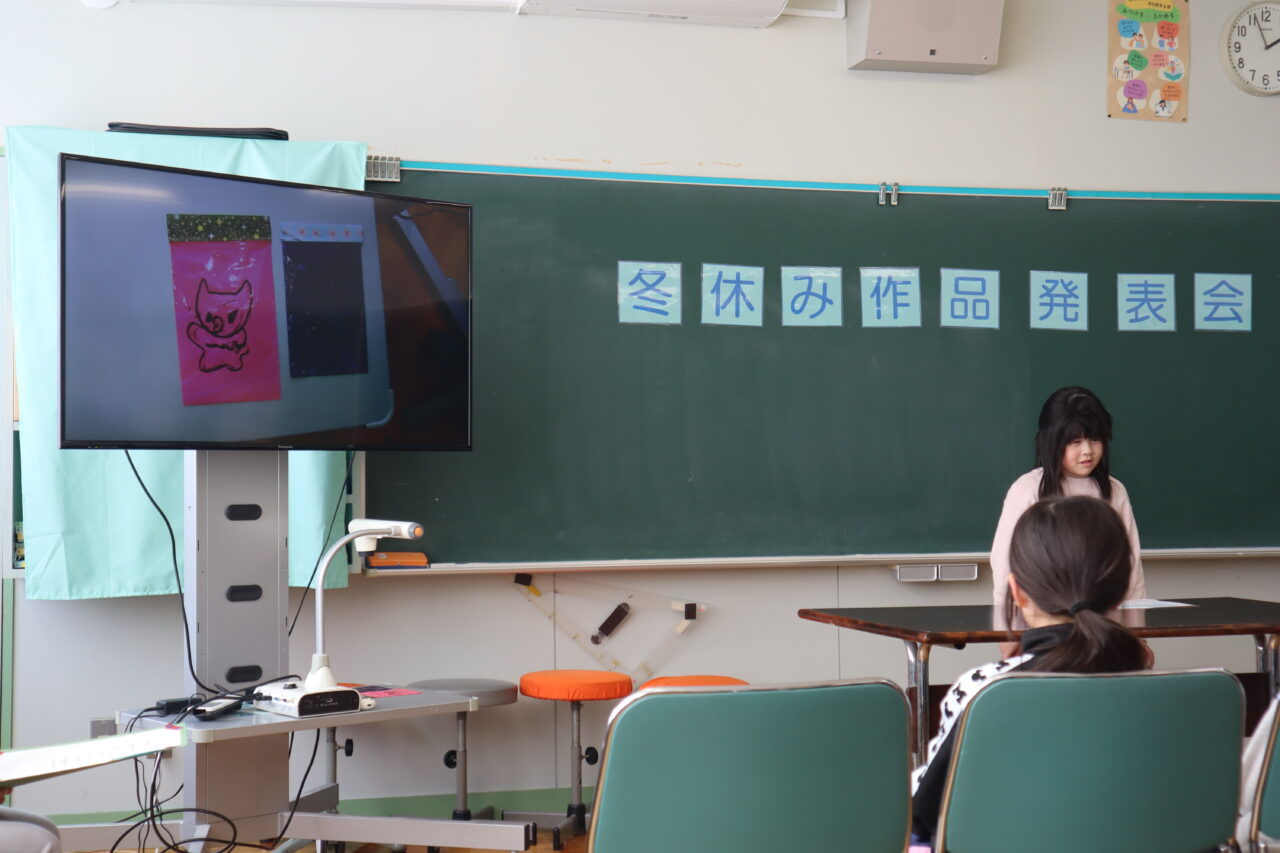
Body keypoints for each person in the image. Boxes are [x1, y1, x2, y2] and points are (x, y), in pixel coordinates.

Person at [911, 495, 1149, 846]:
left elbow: (925, 814)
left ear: (1017, 592)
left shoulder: (986, 691)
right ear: (1120, 592)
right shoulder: (1178, 693)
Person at [989, 386, 1145, 654]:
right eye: (1075, 442)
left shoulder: (1114, 491)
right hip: (1041, 634)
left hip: (1105, 633)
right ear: (1051, 441)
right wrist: (1008, 638)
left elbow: (1132, 570)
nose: (1087, 451)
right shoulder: (1027, 490)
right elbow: (1005, 569)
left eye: (1095, 439)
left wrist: (1139, 637)